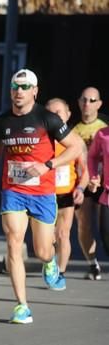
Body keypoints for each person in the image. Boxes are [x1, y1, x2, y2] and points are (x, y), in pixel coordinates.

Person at [0, 68, 83, 324]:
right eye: (14, 87)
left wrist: (48, 165)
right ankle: (22, 306)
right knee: (13, 241)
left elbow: (76, 146)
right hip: (13, 190)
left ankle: (50, 262)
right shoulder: (1, 122)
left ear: (35, 91)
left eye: (24, 87)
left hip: (43, 193)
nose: (18, 92)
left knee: (42, 251)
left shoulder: (48, 119)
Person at [45, 98, 89, 290]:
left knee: (63, 234)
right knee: (47, 237)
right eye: (50, 113)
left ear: (68, 114)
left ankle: (60, 274)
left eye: (58, 112)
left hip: (65, 193)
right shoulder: (40, 139)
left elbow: (84, 170)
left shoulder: (75, 140)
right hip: (42, 194)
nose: (54, 116)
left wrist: (80, 188)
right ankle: (49, 262)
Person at [72, 87, 108, 280]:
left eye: (92, 100)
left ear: (99, 104)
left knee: (105, 227)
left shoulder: (104, 128)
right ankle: (92, 264)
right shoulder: (72, 130)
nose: (87, 104)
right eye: (84, 100)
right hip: (82, 183)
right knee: (84, 225)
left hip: (104, 183)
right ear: (78, 102)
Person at [88, 126, 109, 257]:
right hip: (107, 196)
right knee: (106, 237)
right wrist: (94, 176)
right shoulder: (102, 134)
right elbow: (92, 156)